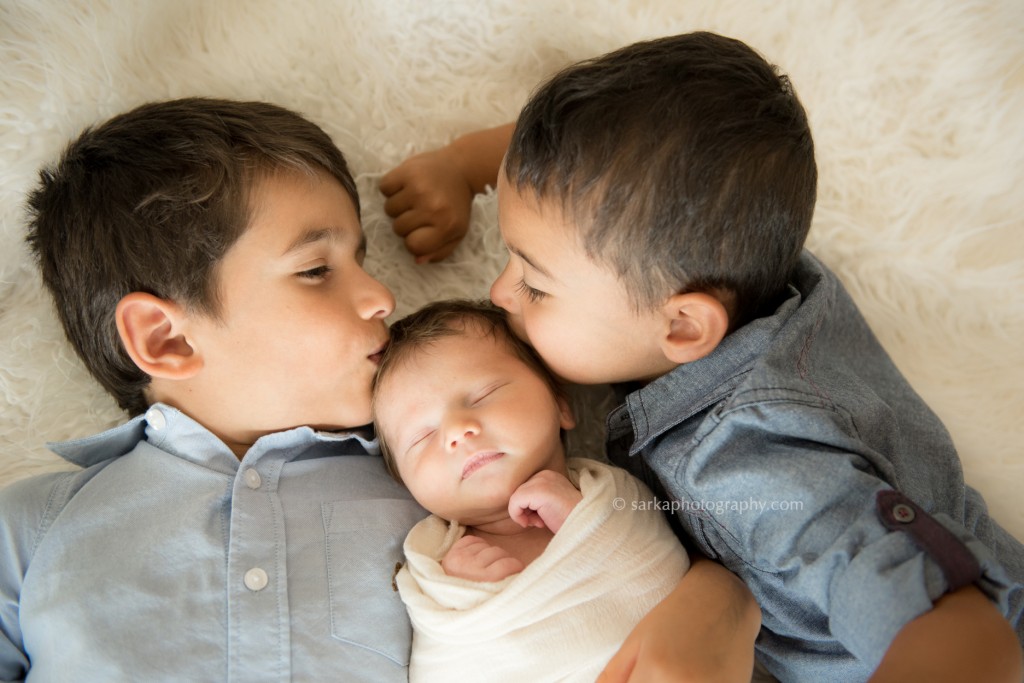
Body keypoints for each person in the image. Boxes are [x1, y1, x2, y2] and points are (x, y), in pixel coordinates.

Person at [0, 96, 757, 682]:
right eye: (316, 269)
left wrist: (718, 598)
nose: (382, 296)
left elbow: (637, 553)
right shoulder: (32, 531)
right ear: (167, 338)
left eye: (361, 258)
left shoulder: (434, 488)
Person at [380, 32, 1024, 682]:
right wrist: (465, 164)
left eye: (536, 283)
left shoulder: (753, 468)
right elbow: (593, 165)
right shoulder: (741, 253)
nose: (499, 289)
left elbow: (967, 631)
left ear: (684, 327)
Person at [371, 299, 694, 683]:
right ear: (404, 482)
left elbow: (663, 569)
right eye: (422, 437)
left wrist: (587, 522)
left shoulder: (611, 493)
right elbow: (447, 660)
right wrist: (458, 593)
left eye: (483, 394)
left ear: (561, 404)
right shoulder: (435, 566)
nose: (457, 431)